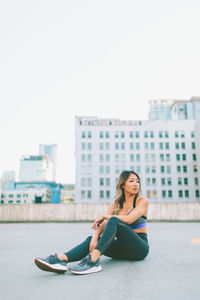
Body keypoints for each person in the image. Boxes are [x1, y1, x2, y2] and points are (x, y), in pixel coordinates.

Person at [34, 170, 149, 275]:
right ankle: (61, 259)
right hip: (122, 250)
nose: (136, 184)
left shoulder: (141, 202)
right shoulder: (115, 206)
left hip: (138, 249)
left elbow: (128, 219)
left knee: (114, 220)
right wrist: (95, 238)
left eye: (137, 182)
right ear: (123, 185)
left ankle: (93, 261)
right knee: (91, 239)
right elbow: (104, 225)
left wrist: (105, 216)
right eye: (132, 181)